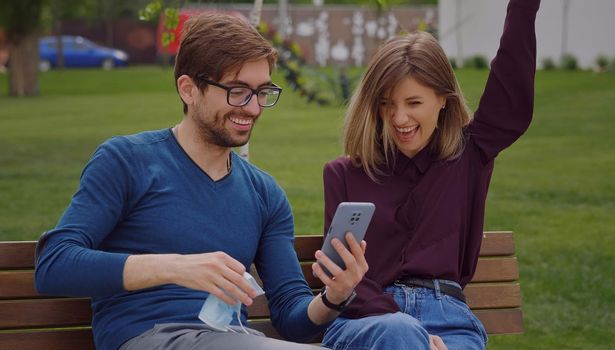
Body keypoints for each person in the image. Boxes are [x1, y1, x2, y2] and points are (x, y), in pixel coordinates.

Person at [35, 13, 368, 350]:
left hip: (234, 340)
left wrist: (333, 297)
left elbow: (291, 317)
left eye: (262, 92)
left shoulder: (264, 193)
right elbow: (55, 264)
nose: (253, 108)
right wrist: (175, 267)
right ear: (189, 89)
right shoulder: (127, 161)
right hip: (151, 337)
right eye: (237, 91)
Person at [321, 0, 541, 349]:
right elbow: (344, 274)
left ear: (443, 100)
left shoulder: (470, 155)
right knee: (399, 334)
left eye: (413, 103)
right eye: (386, 104)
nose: (399, 118)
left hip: (451, 322)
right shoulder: (343, 174)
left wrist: (523, 7)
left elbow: (510, 93)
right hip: (368, 321)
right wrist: (411, 333)